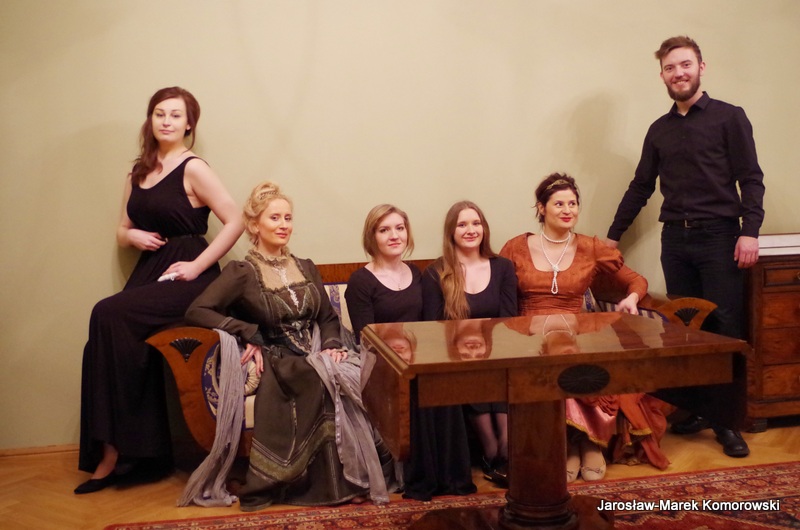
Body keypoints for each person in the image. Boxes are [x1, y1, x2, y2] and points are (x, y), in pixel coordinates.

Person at [185, 182, 393, 511]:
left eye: (288, 218)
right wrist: (246, 332)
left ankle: (359, 478)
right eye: (275, 218)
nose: (284, 225)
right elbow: (197, 310)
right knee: (319, 377)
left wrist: (332, 345)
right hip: (278, 359)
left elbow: (327, 317)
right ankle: (327, 487)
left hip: (315, 352)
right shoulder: (242, 272)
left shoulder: (305, 266)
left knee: (347, 371)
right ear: (255, 225)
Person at [76, 87, 243, 494]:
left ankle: (121, 454)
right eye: (159, 114)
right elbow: (121, 229)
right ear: (150, 120)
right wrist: (132, 236)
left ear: (189, 125)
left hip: (191, 276)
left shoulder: (193, 168)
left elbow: (236, 220)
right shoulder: (137, 172)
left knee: (106, 312)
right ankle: (121, 453)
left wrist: (196, 266)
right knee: (106, 336)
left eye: (175, 115)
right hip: (151, 271)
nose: (166, 121)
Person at [606, 36, 764, 458]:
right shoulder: (659, 130)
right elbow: (641, 187)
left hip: (720, 237)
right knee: (685, 330)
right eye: (670, 68)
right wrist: (612, 236)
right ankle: (697, 408)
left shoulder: (730, 117)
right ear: (662, 75)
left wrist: (750, 230)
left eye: (685, 64)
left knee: (724, 328)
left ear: (701, 67)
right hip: (675, 239)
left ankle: (727, 422)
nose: (679, 73)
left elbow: (750, 177)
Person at [501, 173, 669, 482]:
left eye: (573, 204)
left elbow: (636, 280)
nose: (568, 210)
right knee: (552, 366)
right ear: (541, 208)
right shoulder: (516, 247)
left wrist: (631, 299)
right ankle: (567, 445)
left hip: (576, 334)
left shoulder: (591, 247)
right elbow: (497, 290)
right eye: (559, 204)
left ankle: (589, 443)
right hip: (529, 338)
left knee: (586, 367)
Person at [345, 204, 477, 500]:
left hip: (420, 359)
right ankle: (422, 479)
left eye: (399, 228)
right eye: (384, 230)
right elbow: (365, 337)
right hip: (383, 364)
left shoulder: (418, 274)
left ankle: (452, 478)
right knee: (416, 388)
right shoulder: (361, 281)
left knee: (445, 383)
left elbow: (429, 327)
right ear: (372, 237)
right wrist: (401, 358)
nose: (394, 235)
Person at [421, 201, 517, 486]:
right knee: (473, 371)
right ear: (451, 232)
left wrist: (489, 348)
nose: (470, 230)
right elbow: (432, 327)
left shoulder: (503, 267)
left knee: (500, 371)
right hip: (455, 356)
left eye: (476, 223)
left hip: (499, 351)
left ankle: (506, 452)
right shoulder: (436, 272)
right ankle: (492, 451)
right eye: (462, 225)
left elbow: (510, 321)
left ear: (484, 228)